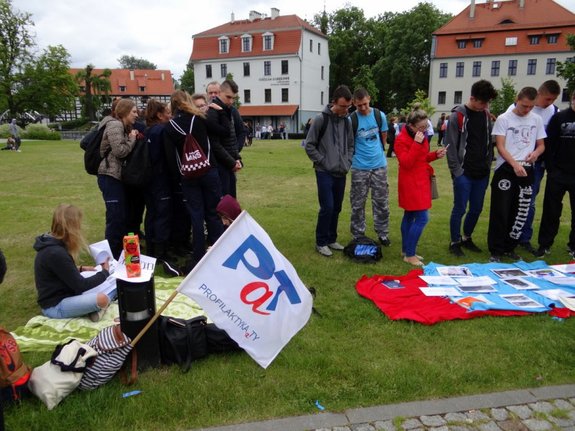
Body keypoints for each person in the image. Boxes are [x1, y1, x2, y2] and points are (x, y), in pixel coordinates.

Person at [164, 90, 225, 271]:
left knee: (196, 216)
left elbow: (171, 157)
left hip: (188, 176)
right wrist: (221, 113)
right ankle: (220, 251)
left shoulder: (170, 126)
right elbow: (221, 131)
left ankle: (198, 256)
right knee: (213, 213)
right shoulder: (198, 118)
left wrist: (179, 177)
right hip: (208, 170)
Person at [487, 87, 546, 263]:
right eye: (523, 105)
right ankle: (496, 250)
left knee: (520, 209)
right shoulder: (504, 119)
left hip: (527, 168)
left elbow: (541, 145)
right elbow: (500, 146)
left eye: (530, 106)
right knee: (501, 210)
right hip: (506, 168)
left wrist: (535, 154)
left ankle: (510, 247)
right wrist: (514, 164)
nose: (526, 110)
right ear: (517, 99)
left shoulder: (536, 119)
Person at [506, 80, 561, 255]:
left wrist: (540, 157)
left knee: (529, 202)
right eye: (547, 99)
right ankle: (507, 235)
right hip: (514, 162)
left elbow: (547, 142)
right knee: (511, 200)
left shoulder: (554, 112)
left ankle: (524, 237)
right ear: (539, 94)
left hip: (536, 164)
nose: (549, 103)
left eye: (553, 99)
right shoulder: (515, 108)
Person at [446, 80, 498, 257]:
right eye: (483, 102)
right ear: (472, 98)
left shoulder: (485, 115)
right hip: (464, 173)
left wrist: (488, 162)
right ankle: (454, 241)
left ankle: (466, 237)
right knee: (459, 208)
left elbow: (489, 141)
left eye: (488, 103)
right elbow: (450, 146)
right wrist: (457, 172)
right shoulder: (457, 117)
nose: (485, 106)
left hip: (482, 172)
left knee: (476, 208)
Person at [33, 204, 111, 321]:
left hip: (61, 295)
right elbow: (81, 285)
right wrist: (105, 273)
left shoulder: (51, 242)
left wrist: (79, 268)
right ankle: (97, 309)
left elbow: (57, 270)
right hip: (55, 306)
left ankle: (93, 309)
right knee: (103, 298)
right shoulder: (56, 252)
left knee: (101, 286)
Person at [305, 84, 354, 257]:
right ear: (334, 102)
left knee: (337, 207)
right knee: (327, 206)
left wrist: (347, 162)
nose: (346, 110)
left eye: (348, 106)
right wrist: (323, 161)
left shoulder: (347, 121)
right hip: (324, 171)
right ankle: (321, 242)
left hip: (341, 172)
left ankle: (332, 239)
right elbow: (309, 145)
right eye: (343, 106)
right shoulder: (320, 119)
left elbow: (350, 145)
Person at [395, 109, 447, 266]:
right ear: (411, 126)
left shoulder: (420, 137)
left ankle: (406, 250)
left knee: (410, 216)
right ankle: (409, 255)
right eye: (421, 127)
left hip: (421, 180)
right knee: (422, 218)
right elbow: (407, 163)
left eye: (426, 126)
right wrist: (417, 143)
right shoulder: (401, 140)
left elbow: (421, 158)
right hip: (410, 184)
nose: (424, 130)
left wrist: (435, 155)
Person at [97, 98, 139, 259]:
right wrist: (132, 138)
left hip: (115, 176)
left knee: (119, 215)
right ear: (125, 112)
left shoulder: (122, 125)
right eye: (134, 112)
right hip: (109, 175)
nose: (136, 115)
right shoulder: (115, 125)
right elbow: (120, 151)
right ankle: (112, 256)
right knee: (115, 217)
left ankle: (118, 252)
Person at [536, 89, 575, 258]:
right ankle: (544, 244)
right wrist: (551, 169)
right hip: (558, 173)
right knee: (551, 211)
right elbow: (549, 144)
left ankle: (573, 246)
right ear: (572, 99)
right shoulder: (559, 117)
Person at [349, 87, 391, 246]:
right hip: (359, 167)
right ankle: (358, 234)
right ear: (354, 103)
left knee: (381, 201)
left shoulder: (380, 116)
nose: (363, 108)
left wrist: (380, 152)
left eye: (365, 104)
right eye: (359, 105)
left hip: (379, 165)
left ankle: (383, 233)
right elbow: (349, 142)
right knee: (358, 203)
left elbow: (384, 136)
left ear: (369, 99)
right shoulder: (351, 120)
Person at [206, 80, 242, 198]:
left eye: (233, 98)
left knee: (231, 204)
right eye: (228, 97)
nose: (231, 101)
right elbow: (214, 144)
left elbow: (232, 137)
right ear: (220, 93)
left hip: (228, 165)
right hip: (220, 167)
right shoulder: (213, 112)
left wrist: (236, 158)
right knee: (224, 207)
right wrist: (232, 162)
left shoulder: (227, 110)